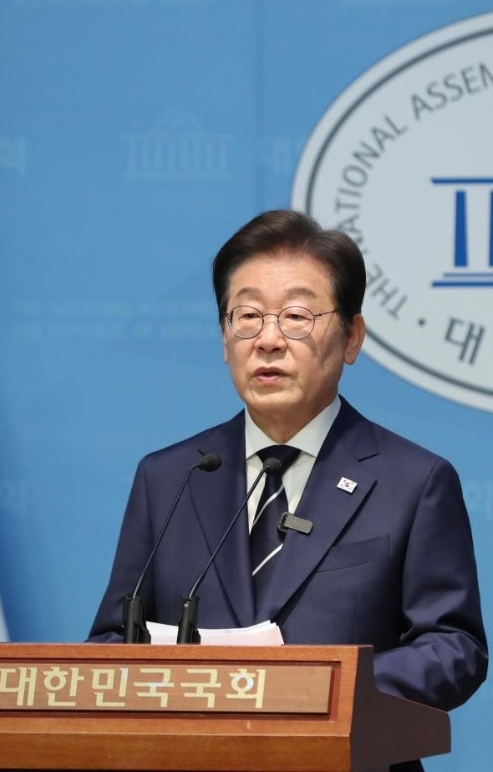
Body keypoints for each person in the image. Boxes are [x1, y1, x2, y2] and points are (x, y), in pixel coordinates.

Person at [88, 209, 487, 771]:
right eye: (248, 316)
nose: (269, 340)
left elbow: (454, 649)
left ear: (351, 337)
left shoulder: (414, 481)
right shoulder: (170, 477)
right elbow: (112, 642)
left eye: (297, 316)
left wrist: (321, 688)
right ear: (224, 338)